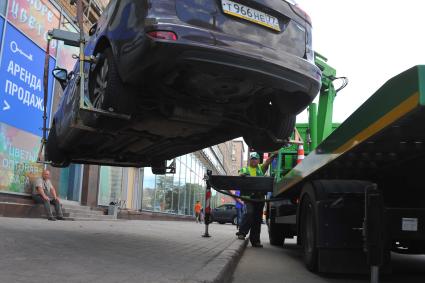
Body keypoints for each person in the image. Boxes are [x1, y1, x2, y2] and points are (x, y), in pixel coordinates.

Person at [236, 152, 276, 247]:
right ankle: (242, 232)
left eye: (255, 159)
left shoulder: (261, 168)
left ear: (258, 161)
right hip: (249, 198)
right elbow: (240, 173)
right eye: (252, 159)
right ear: (249, 160)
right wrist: (242, 175)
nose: (254, 160)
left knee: (257, 219)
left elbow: (267, 162)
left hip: (259, 198)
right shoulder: (245, 169)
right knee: (249, 213)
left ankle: (255, 241)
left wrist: (274, 155)